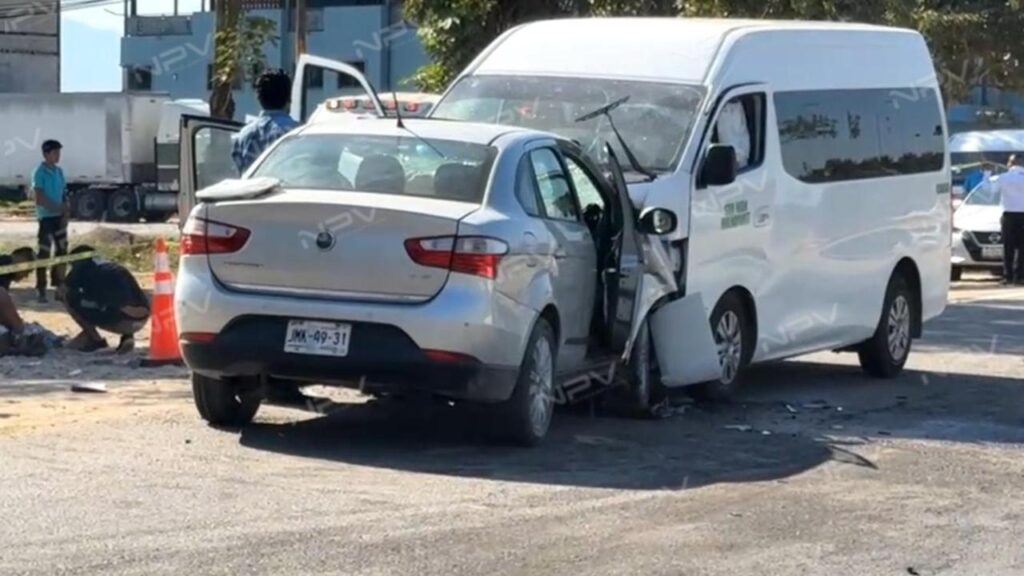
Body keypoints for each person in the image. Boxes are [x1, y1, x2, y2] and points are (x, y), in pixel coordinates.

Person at [60, 246, 151, 353]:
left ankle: (95, 339)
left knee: (69, 297)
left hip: (120, 320)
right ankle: (128, 336)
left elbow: (62, 290)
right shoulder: (113, 266)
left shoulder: (82, 267)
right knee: (117, 298)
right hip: (142, 318)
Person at [231, 69, 299, 173]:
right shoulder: (297, 133)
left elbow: (239, 171)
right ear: (289, 98)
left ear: (259, 98)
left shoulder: (243, 135)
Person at [32, 139, 69, 303]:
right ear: (46, 154)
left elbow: (64, 193)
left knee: (62, 251)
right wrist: (56, 208)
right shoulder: (39, 172)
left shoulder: (59, 172)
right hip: (46, 218)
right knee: (44, 253)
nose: (58, 155)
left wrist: (65, 212)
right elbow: (39, 198)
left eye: (59, 152)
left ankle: (59, 285)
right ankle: (41, 288)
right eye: (55, 152)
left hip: (59, 219)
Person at [991, 154, 1024, 285]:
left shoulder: (1003, 177)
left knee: (1008, 247)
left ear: (1010, 163)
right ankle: (1020, 276)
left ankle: (1008, 276)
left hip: (1009, 215)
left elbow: (991, 190)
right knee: (1022, 248)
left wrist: (987, 173)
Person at [0, 247, 36, 347]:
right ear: (21, 260)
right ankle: (21, 332)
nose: (26, 276)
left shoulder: (6, 271)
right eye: (28, 270)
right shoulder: (4, 263)